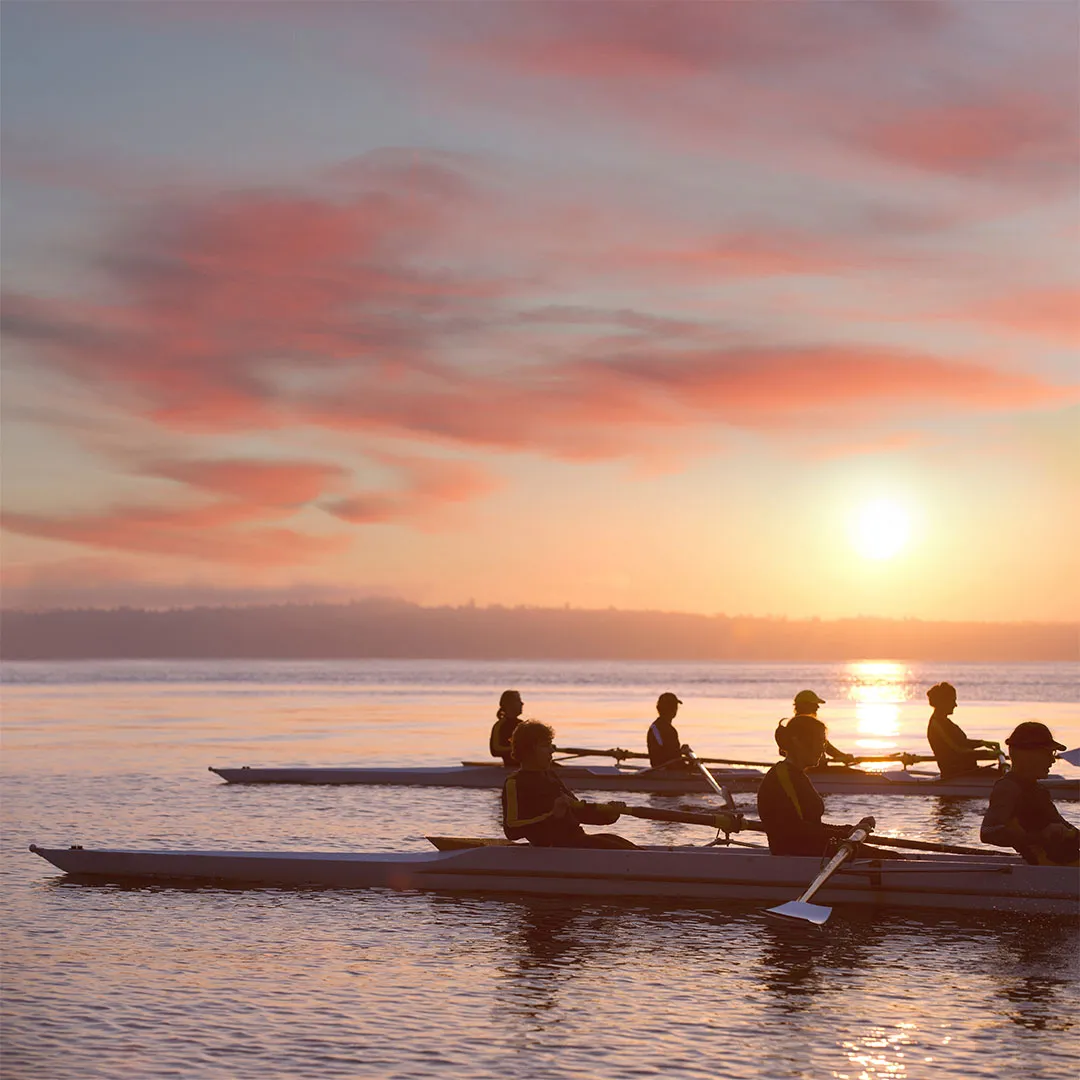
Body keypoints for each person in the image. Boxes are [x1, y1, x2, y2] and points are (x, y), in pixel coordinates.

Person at [502, 720, 637, 849]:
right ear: (528, 750)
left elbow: (578, 812)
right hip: (551, 847)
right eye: (545, 745)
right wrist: (554, 816)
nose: (551, 751)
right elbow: (512, 830)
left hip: (575, 840)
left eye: (551, 745)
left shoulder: (551, 776)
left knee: (618, 842)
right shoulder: (514, 783)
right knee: (619, 848)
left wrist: (610, 813)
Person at [756, 714, 860, 856]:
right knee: (895, 859)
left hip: (814, 851)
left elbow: (811, 826)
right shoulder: (781, 777)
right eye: (819, 742)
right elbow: (796, 829)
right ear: (798, 741)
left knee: (895, 858)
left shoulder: (797, 774)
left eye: (824, 744)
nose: (823, 750)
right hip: (795, 858)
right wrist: (845, 832)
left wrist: (849, 829)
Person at [981, 722, 1078, 866]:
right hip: (1048, 870)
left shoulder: (1038, 790)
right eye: (1048, 753)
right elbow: (987, 832)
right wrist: (1040, 837)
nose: (1052, 760)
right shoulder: (1008, 788)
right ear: (1028, 755)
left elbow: (1065, 828)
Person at [926, 682, 1001, 780]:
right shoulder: (937, 725)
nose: (955, 705)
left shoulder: (944, 722)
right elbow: (959, 750)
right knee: (1003, 777)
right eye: (953, 700)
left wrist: (982, 743)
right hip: (956, 774)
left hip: (967, 771)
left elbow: (963, 743)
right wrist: (988, 754)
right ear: (943, 702)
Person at [791, 690, 856, 766]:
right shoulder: (812, 725)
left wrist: (841, 756)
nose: (818, 707)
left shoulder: (791, 724)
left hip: (808, 767)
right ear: (805, 705)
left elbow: (825, 745)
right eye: (814, 704)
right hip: (814, 769)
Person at [647, 692, 688, 769]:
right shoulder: (667, 730)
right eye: (674, 707)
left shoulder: (655, 726)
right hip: (666, 771)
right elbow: (673, 758)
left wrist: (681, 752)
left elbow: (669, 753)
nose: (676, 709)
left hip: (662, 768)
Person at [489, 689, 524, 765]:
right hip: (512, 766)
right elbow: (495, 751)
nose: (522, 703)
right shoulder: (499, 726)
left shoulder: (522, 724)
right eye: (518, 700)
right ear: (509, 704)